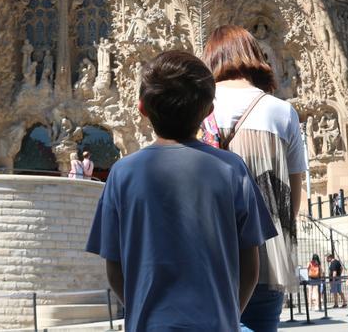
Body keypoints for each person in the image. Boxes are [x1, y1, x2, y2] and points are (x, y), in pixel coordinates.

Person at [84, 50, 275, 331]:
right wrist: (230, 313)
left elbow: (114, 266)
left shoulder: (122, 174)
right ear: (209, 110)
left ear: (141, 108)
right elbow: (250, 262)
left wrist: (141, 310)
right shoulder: (232, 169)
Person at [202, 26, 307, 331]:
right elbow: (294, 196)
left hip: (211, 251)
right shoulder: (282, 111)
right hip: (267, 256)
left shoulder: (199, 110)